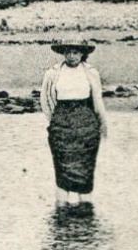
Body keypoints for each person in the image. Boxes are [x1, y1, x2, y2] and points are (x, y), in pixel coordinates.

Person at [41, 42, 108, 213]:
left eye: (76, 52)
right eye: (68, 52)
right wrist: (55, 121)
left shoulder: (91, 72)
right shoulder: (53, 73)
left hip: (86, 126)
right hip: (61, 126)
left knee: (85, 168)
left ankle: (85, 214)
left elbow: (97, 99)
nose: (72, 56)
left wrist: (102, 123)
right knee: (62, 167)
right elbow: (46, 100)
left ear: (82, 54)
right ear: (63, 53)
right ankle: (62, 213)